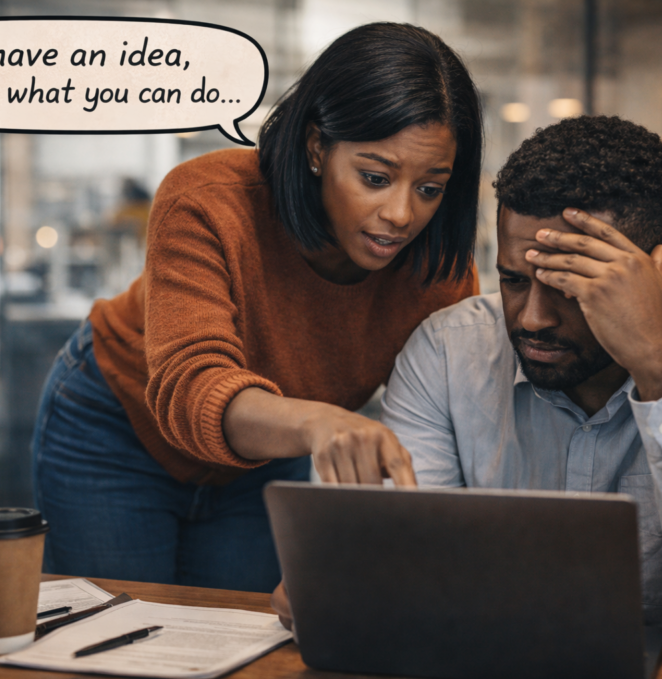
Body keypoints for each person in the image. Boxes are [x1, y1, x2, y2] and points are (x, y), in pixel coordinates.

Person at [273, 115, 662, 657]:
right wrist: (345, 583)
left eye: (570, 286)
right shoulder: (449, 351)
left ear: (661, 268)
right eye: (515, 281)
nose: (533, 319)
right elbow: (401, 566)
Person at [32, 23, 483, 592]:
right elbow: (192, 386)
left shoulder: (436, 269)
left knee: (241, 650)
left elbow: (451, 425)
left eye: (430, 188)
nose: (401, 214)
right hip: (118, 430)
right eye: (375, 177)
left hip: (263, 460)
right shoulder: (207, 200)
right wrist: (319, 421)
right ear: (318, 147)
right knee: (114, 643)